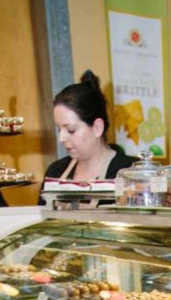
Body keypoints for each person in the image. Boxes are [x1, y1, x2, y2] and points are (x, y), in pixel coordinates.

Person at [40, 70, 135, 203]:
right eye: (59, 129)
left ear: (97, 128)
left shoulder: (130, 173)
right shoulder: (55, 172)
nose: (61, 138)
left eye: (71, 130)